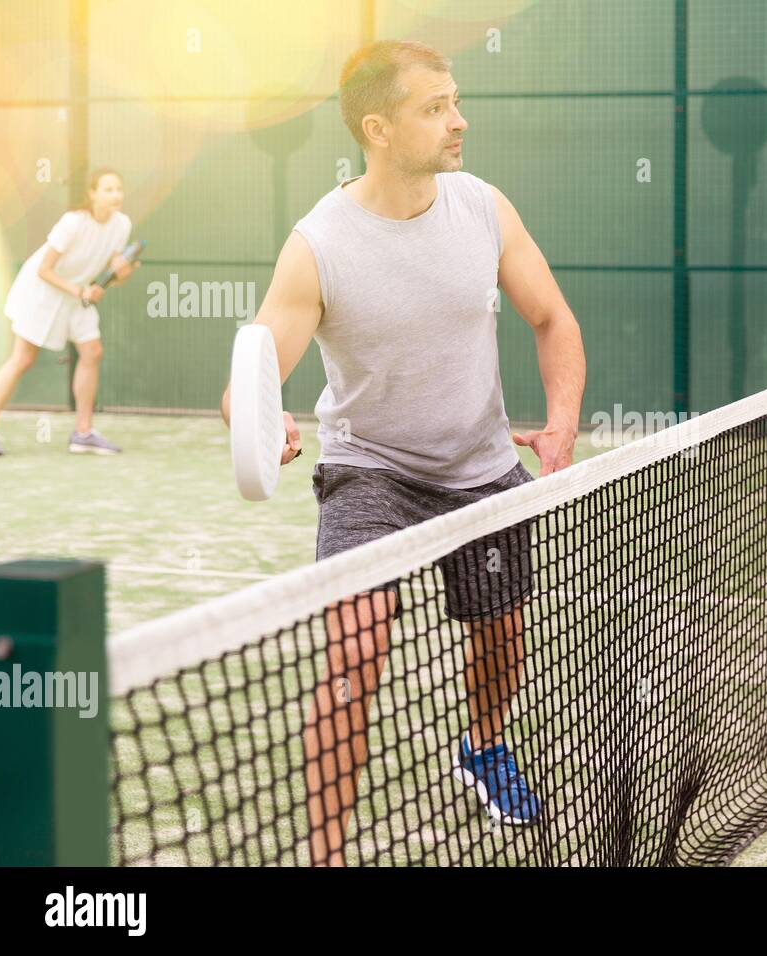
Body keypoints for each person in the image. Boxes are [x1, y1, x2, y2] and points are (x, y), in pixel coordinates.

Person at [219, 41, 586, 864]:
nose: (459, 120)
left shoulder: (484, 207)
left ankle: (484, 747)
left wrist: (560, 422)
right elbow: (252, 371)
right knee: (354, 649)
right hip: (369, 470)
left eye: (456, 101)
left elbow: (553, 319)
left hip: (483, 467)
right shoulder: (318, 244)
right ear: (378, 129)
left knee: (500, 635)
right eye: (436, 108)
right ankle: (326, 853)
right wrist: (262, 416)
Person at [0, 168, 139, 456]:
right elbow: (43, 269)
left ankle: (83, 433)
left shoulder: (122, 224)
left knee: (92, 352)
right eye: (108, 189)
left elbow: (112, 268)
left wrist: (122, 273)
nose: (116, 195)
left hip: (76, 295)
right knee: (23, 359)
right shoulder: (72, 223)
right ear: (92, 194)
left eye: (119, 189)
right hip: (41, 292)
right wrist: (81, 291)